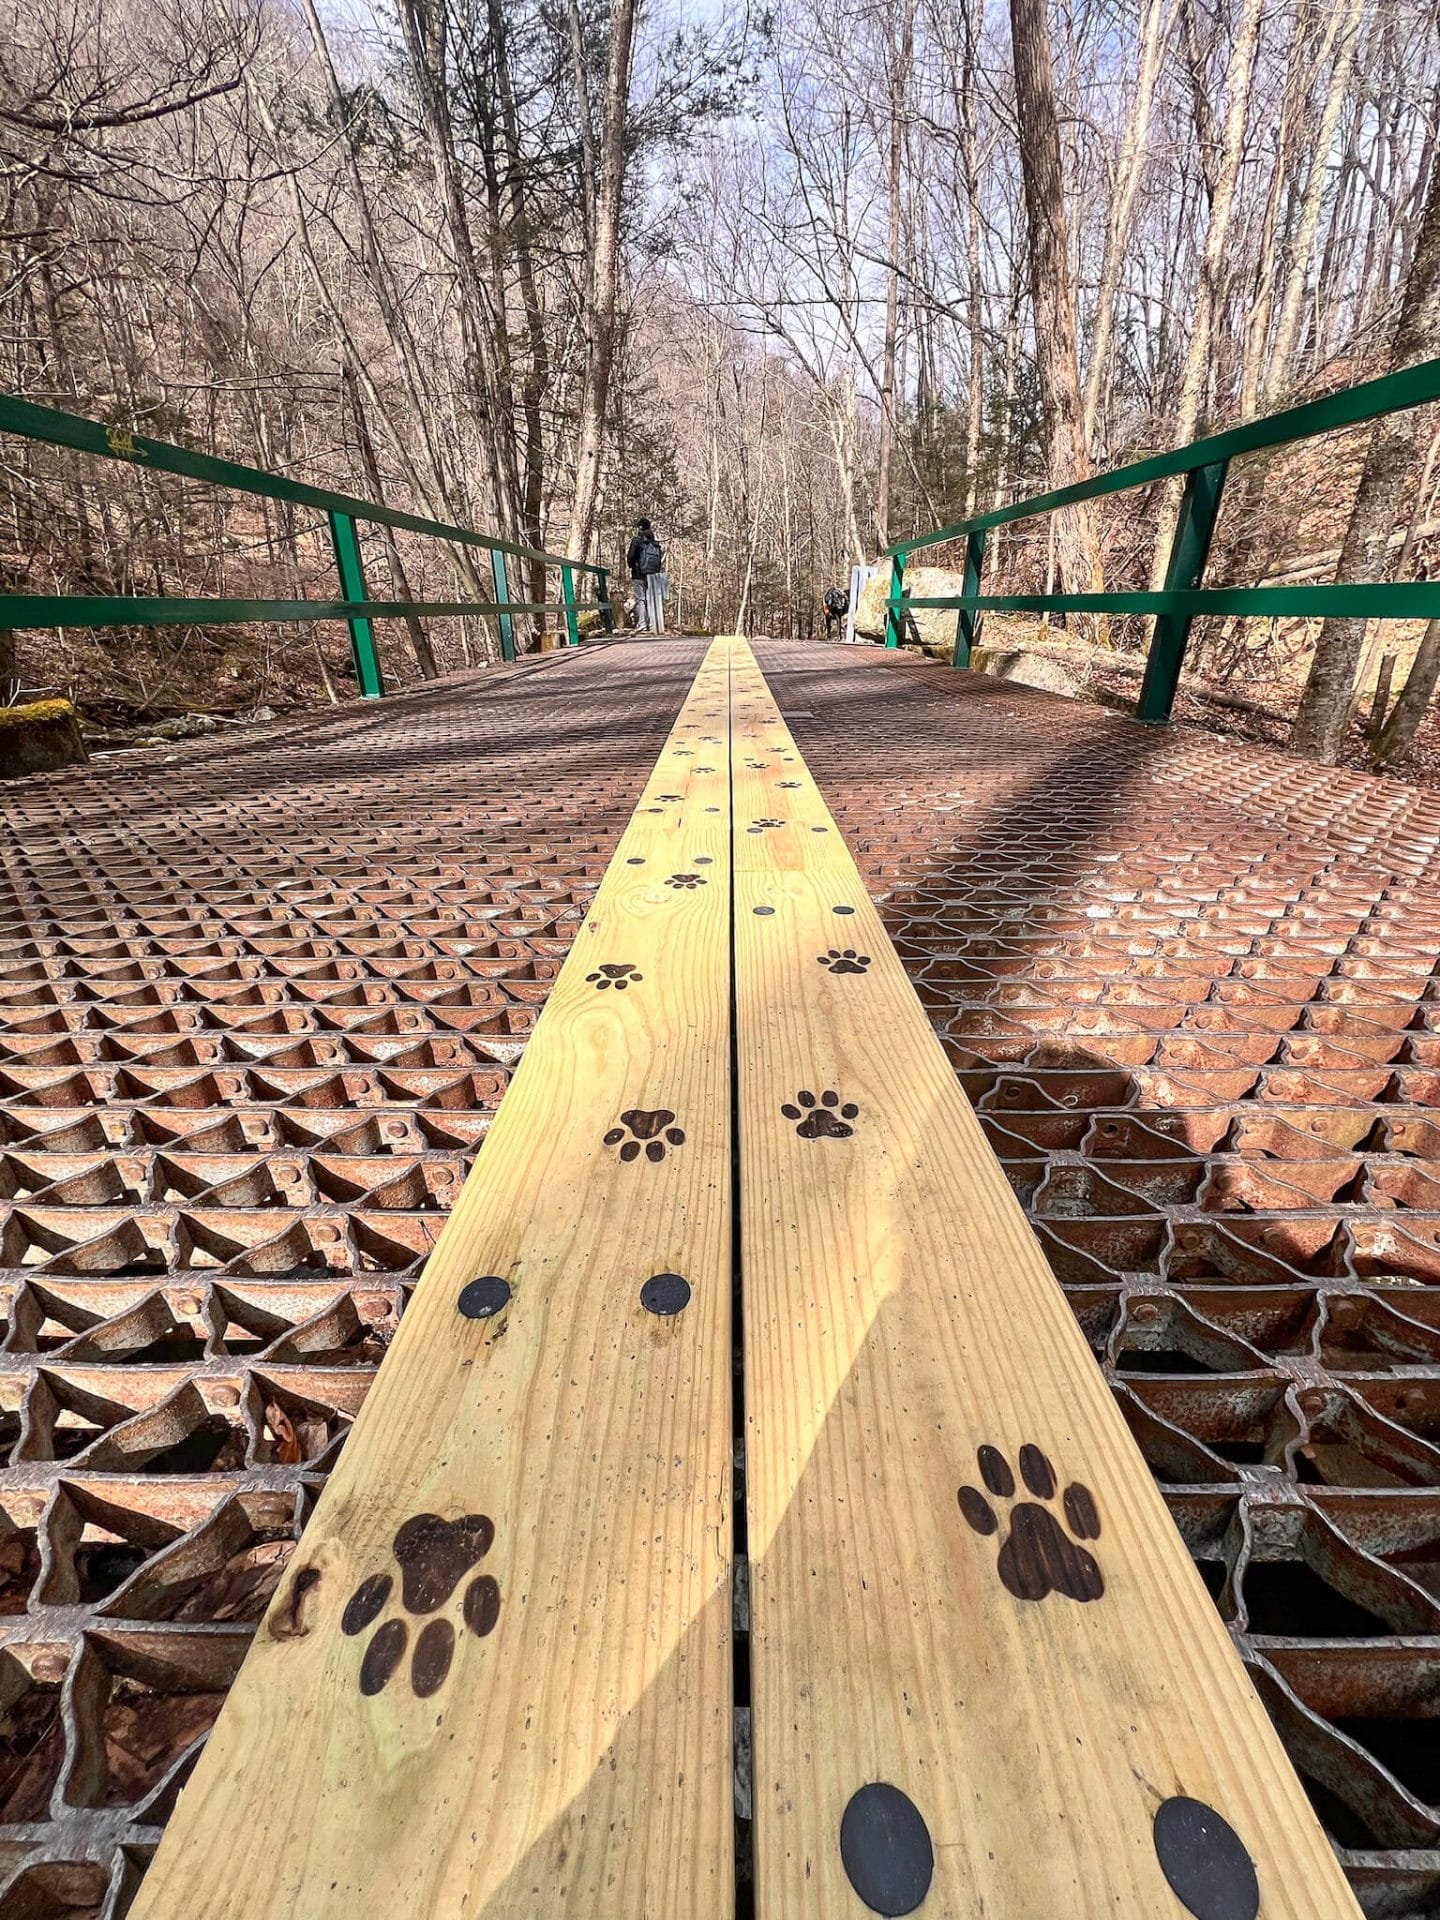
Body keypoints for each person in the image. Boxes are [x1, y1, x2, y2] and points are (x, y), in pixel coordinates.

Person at [627, 518, 667, 633]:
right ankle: (653, 624)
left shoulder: (637, 541)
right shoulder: (655, 544)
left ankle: (642, 625)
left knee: (641, 599)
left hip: (638, 574)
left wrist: (632, 566)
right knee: (651, 598)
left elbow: (630, 557)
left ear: (639, 528)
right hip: (653, 575)